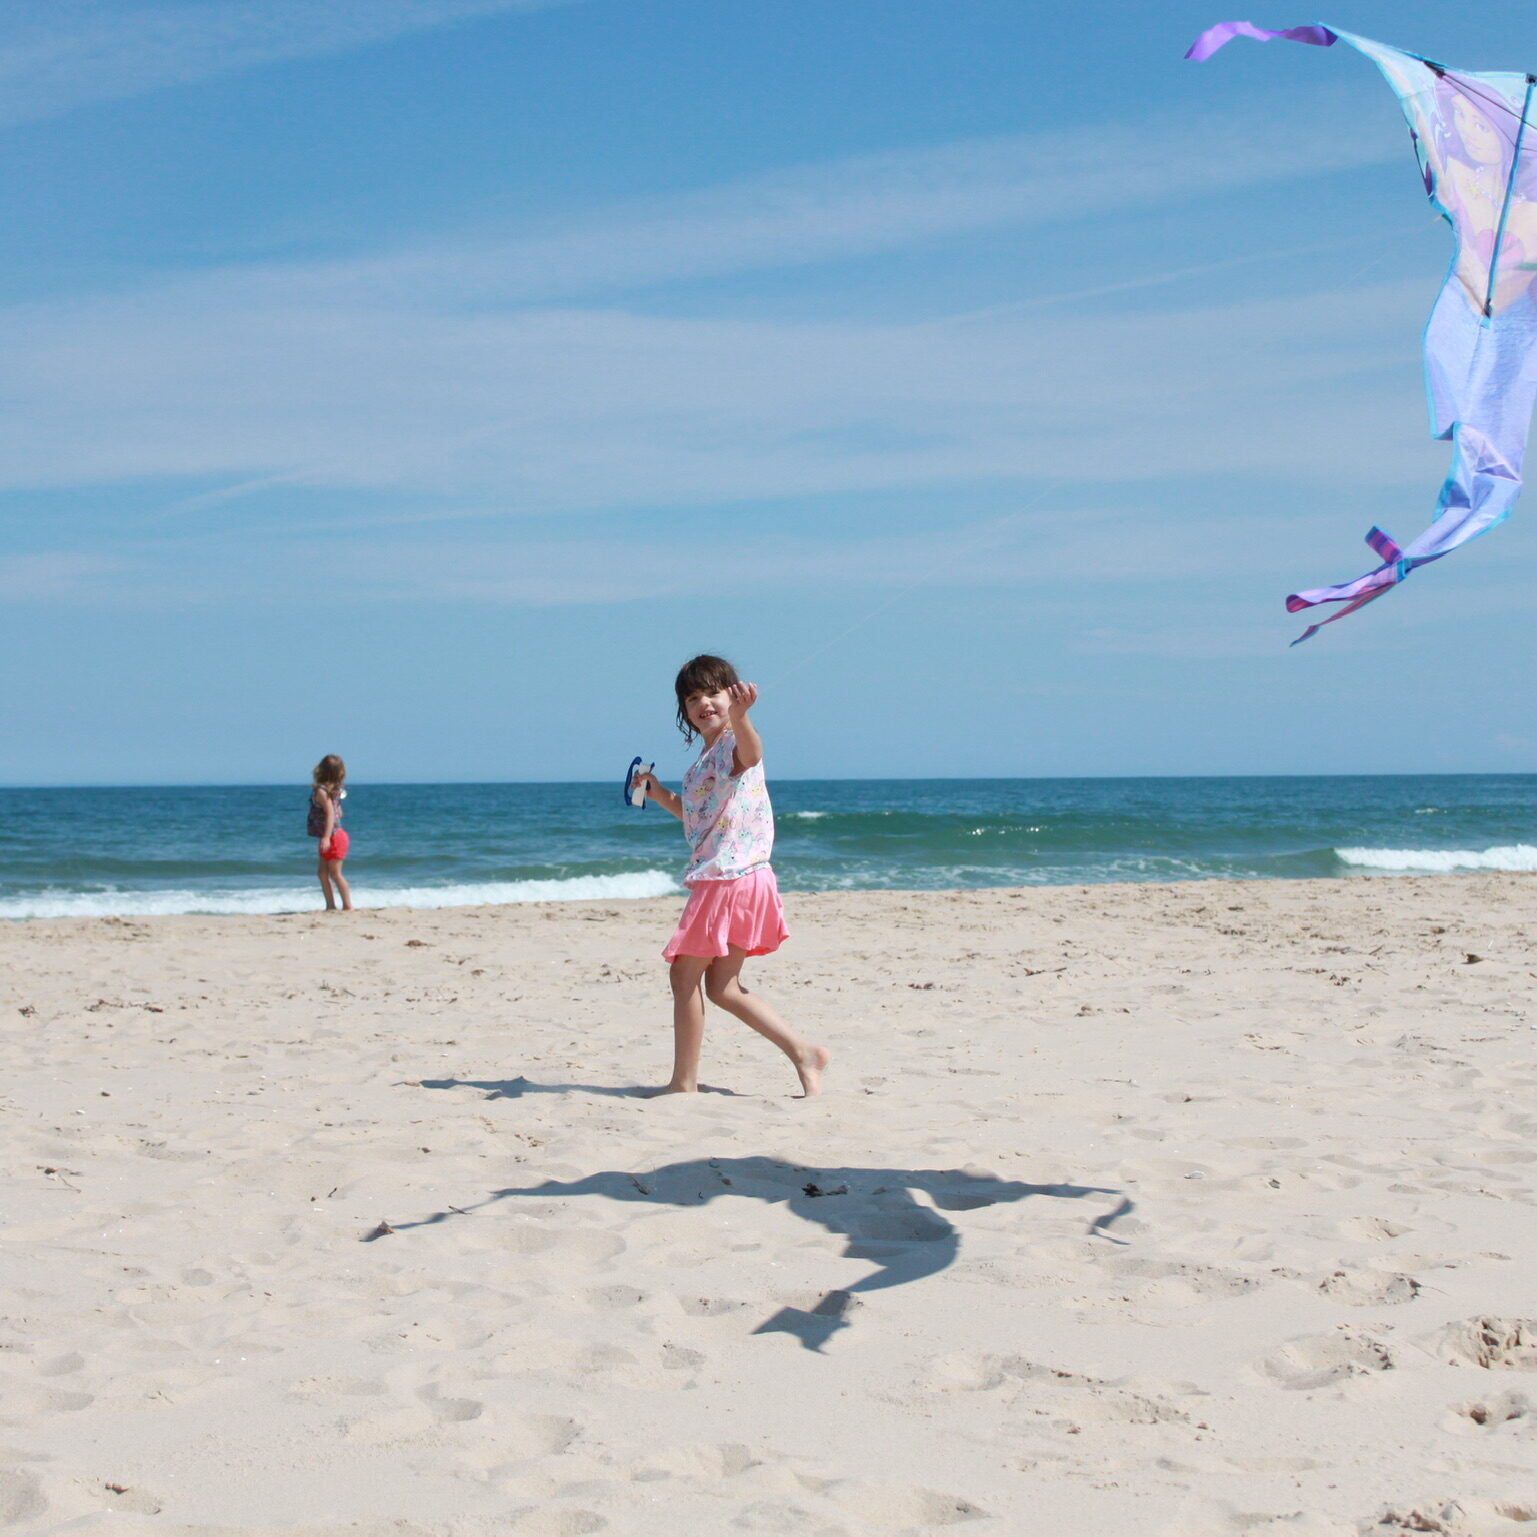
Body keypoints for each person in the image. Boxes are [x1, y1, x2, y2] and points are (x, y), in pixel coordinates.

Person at [634, 655, 828, 1096]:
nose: (703, 702)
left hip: (730, 876)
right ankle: (804, 1053)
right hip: (746, 876)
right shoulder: (705, 759)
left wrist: (742, 718)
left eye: (713, 693)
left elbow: (752, 752)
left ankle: (683, 1084)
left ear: (732, 695)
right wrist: (658, 792)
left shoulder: (731, 744)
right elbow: (700, 817)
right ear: (684, 710)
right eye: (693, 697)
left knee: (684, 977)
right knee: (722, 987)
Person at [308, 754, 353, 913]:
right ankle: (330, 906)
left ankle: (347, 905)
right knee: (322, 873)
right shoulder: (333, 791)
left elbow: (331, 814)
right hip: (330, 836)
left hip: (334, 837)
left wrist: (326, 837)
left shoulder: (322, 792)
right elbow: (338, 813)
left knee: (335, 874)